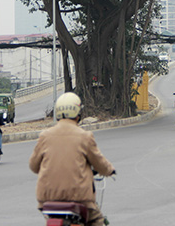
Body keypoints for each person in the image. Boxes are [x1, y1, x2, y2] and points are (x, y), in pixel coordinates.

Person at [29, 92, 115, 226]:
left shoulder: (45, 136)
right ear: (78, 112)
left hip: (47, 200)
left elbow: (33, 166)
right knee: (98, 220)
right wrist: (110, 170)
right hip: (79, 199)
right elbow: (100, 164)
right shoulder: (84, 136)